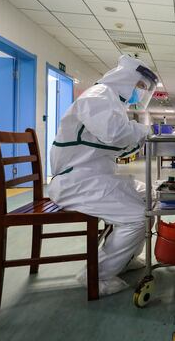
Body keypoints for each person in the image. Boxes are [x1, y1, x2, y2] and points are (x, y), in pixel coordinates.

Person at [48, 55, 158, 295]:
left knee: (152, 198)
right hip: (76, 181)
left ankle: (125, 258)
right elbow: (116, 134)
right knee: (138, 217)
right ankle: (96, 275)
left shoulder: (112, 102)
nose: (140, 93)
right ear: (128, 78)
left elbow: (119, 145)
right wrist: (147, 130)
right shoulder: (98, 97)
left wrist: (140, 135)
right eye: (140, 87)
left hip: (97, 176)